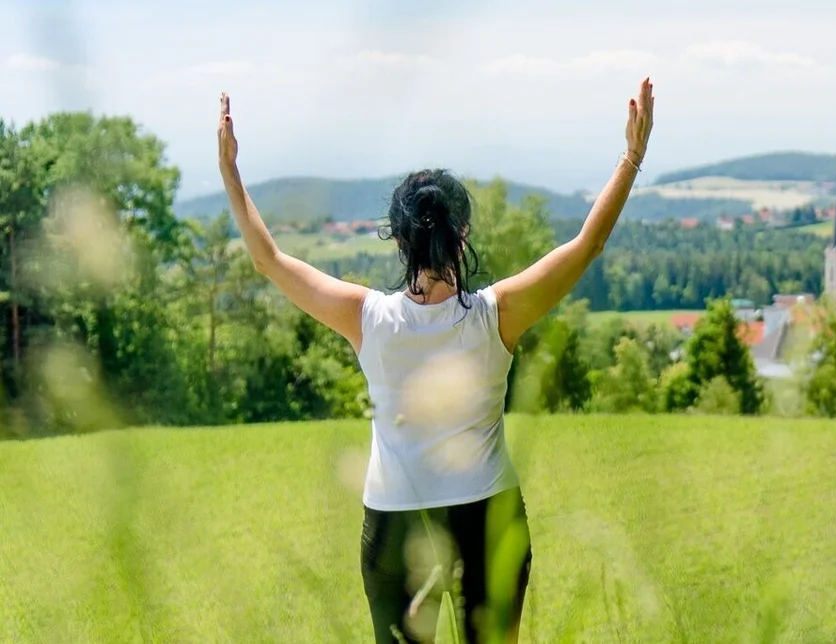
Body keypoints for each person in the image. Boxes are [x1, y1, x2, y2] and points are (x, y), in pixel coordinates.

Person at [215, 79, 655, 643]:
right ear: (462, 232)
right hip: (487, 518)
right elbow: (586, 245)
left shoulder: (366, 318)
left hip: (394, 526)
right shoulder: (497, 315)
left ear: (398, 241)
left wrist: (230, 172)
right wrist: (631, 158)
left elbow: (268, 259)